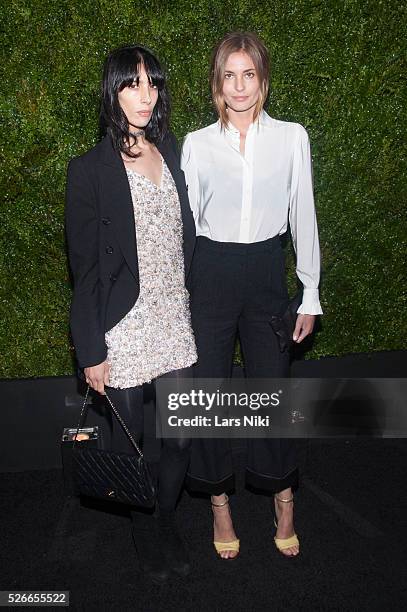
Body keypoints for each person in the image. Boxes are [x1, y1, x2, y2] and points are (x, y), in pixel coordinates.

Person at [181, 31, 323, 559]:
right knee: (208, 396)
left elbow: (302, 213)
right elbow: (187, 227)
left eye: (249, 74)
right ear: (217, 82)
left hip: (266, 270)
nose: (239, 86)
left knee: (271, 391)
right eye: (228, 75)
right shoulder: (197, 144)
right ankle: (220, 504)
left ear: (262, 79)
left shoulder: (291, 137)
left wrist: (309, 290)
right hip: (211, 274)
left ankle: (283, 498)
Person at [65, 44, 197, 582]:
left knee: (183, 436)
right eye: (132, 84)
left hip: (174, 318)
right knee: (135, 445)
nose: (145, 95)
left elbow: (182, 238)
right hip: (123, 327)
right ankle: (148, 535)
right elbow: (85, 269)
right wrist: (91, 349)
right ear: (112, 91)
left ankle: (164, 519)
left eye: (152, 83)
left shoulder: (171, 152)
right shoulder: (90, 170)